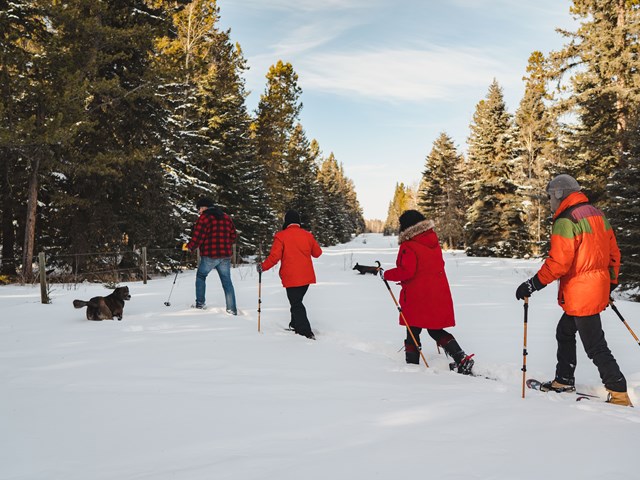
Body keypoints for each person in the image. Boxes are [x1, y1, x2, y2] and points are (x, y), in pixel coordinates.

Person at [515, 174, 631, 406]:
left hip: (581, 292)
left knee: (595, 344)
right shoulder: (596, 214)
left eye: (550, 197)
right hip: (593, 288)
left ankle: (618, 393)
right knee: (564, 331)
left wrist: (533, 284)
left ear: (559, 194)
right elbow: (614, 254)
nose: (549, 202)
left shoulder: (566, 220)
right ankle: (564, 379)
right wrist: (610, 283)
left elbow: (559, 262)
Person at [383, 210, 474, 374]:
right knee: (435, 329)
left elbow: (407, 271)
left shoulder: (409, 245)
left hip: (417, 296)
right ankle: (460, 357)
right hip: (438, 293)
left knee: (412, 328)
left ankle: (411, 366)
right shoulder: (432, 241)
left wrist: (386, 274)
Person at [258, 210, 322, 339]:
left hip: (291, 277)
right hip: (307, 277)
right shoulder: (307, 235)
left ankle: (305, 331)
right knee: (296, 301)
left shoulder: (281, 236)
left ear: (286, 221)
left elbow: (274, 257)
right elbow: (317, 253)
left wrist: (262, 267)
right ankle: (294, 324)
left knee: (296, 303)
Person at [184, 197, 237, 314]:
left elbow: (198, 237)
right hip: (225, 256)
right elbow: (233, 235)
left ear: (204, 207)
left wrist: (190, 246)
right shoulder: (226, 217)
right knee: (227, 282)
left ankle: (200, 304)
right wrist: (225, 243)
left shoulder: (204, 218)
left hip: (210, 255)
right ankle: (232, 309)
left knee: (201, 276)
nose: (199, 212)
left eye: (199, 209)